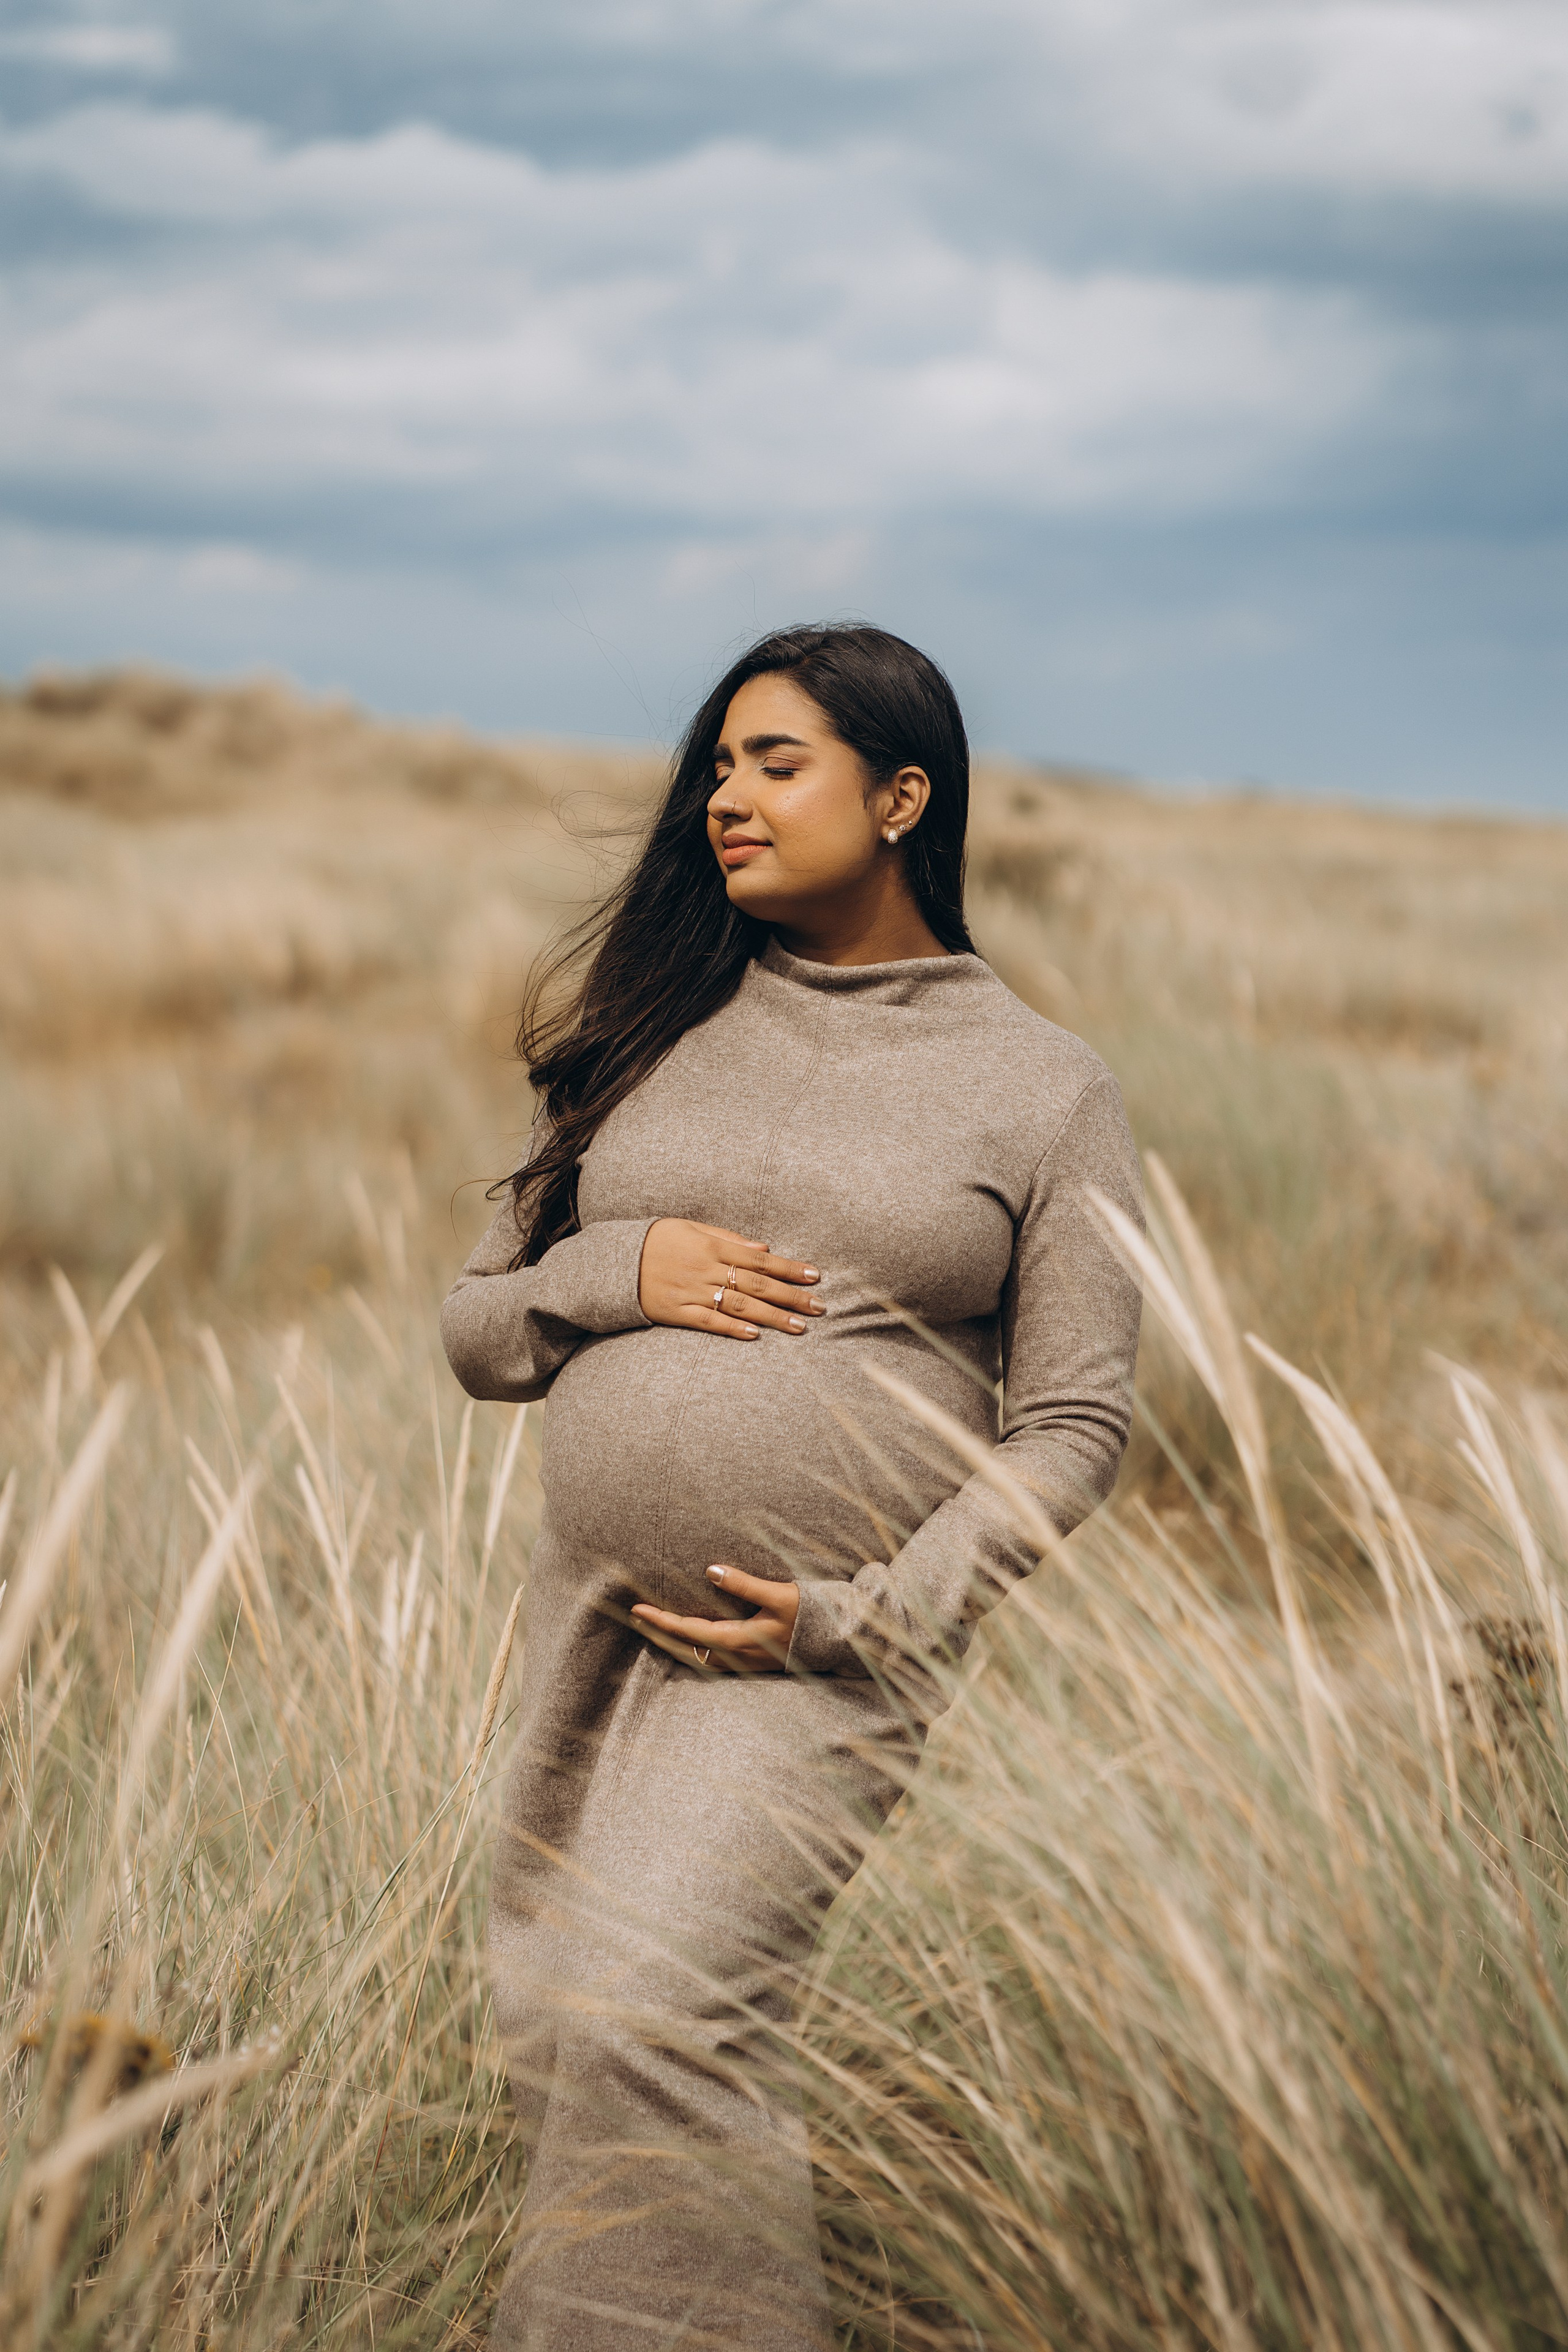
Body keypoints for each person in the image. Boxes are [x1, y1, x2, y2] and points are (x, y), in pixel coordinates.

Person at [440, 622, 1144, 2350]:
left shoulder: (1045, 1088)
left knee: (655, 2018)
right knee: (556, 2021)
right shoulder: (646, 1034)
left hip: (818, 1652)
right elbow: (476, 1331)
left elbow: (1075, 1422)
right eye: (718, 765)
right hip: (590, 1622)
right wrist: (621, 1270)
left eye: (777, 763)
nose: (725, 798)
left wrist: (874, 1614)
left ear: (902, 798)